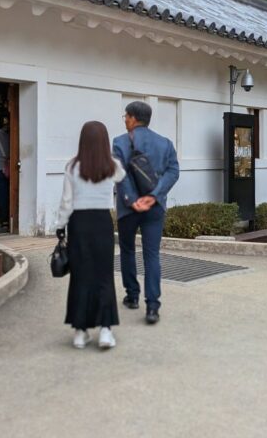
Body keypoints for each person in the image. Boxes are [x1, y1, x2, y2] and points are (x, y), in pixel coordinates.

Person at [56, 121, 126, 349]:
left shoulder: (72, 167)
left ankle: (80, 332)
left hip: (79, 224)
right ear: (105, 141)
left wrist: (60, 226)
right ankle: (105, 330)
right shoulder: (112, 166)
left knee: (80, 276)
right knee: (104, 276)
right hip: (102, 223)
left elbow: (66, 201)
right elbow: (122, 175)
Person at [113, 101, 180, 325]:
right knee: (152, 254)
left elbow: (119, 174)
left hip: (127, 209)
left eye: (126, 116)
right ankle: (152, 306)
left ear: (133, 118)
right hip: (155, 207)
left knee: (127, 250)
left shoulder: (120, 142)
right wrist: (154, 195)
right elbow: (173, 171)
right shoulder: (165, 143)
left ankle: (132, 296)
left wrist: (133, 201)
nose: (125, 120)